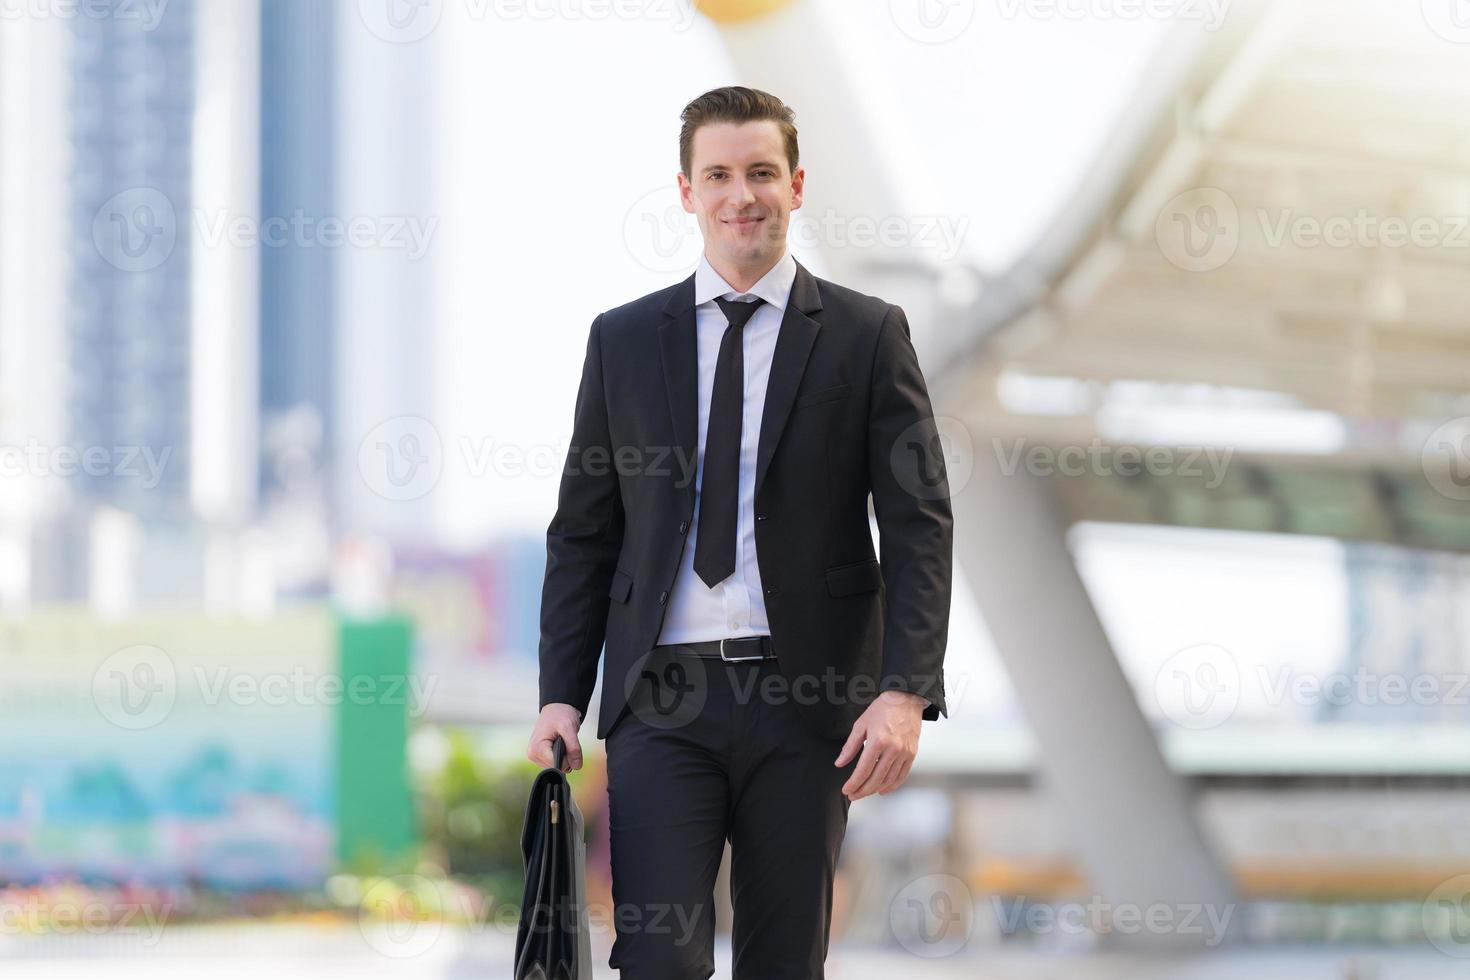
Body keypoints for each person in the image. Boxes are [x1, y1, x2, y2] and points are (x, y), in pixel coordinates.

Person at [527, 85, 953, 980]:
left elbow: (918, 524)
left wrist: (906, 692)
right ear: (686, 192)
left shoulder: (869, 336)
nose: (741, 194)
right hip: (661, 697)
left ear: (797, 185)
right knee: (659, 960)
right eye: (717, 174)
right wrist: (561, 694)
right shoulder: (623, 341)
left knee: (784, 964)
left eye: (761, 172)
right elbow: (583, 534)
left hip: (809, 700)